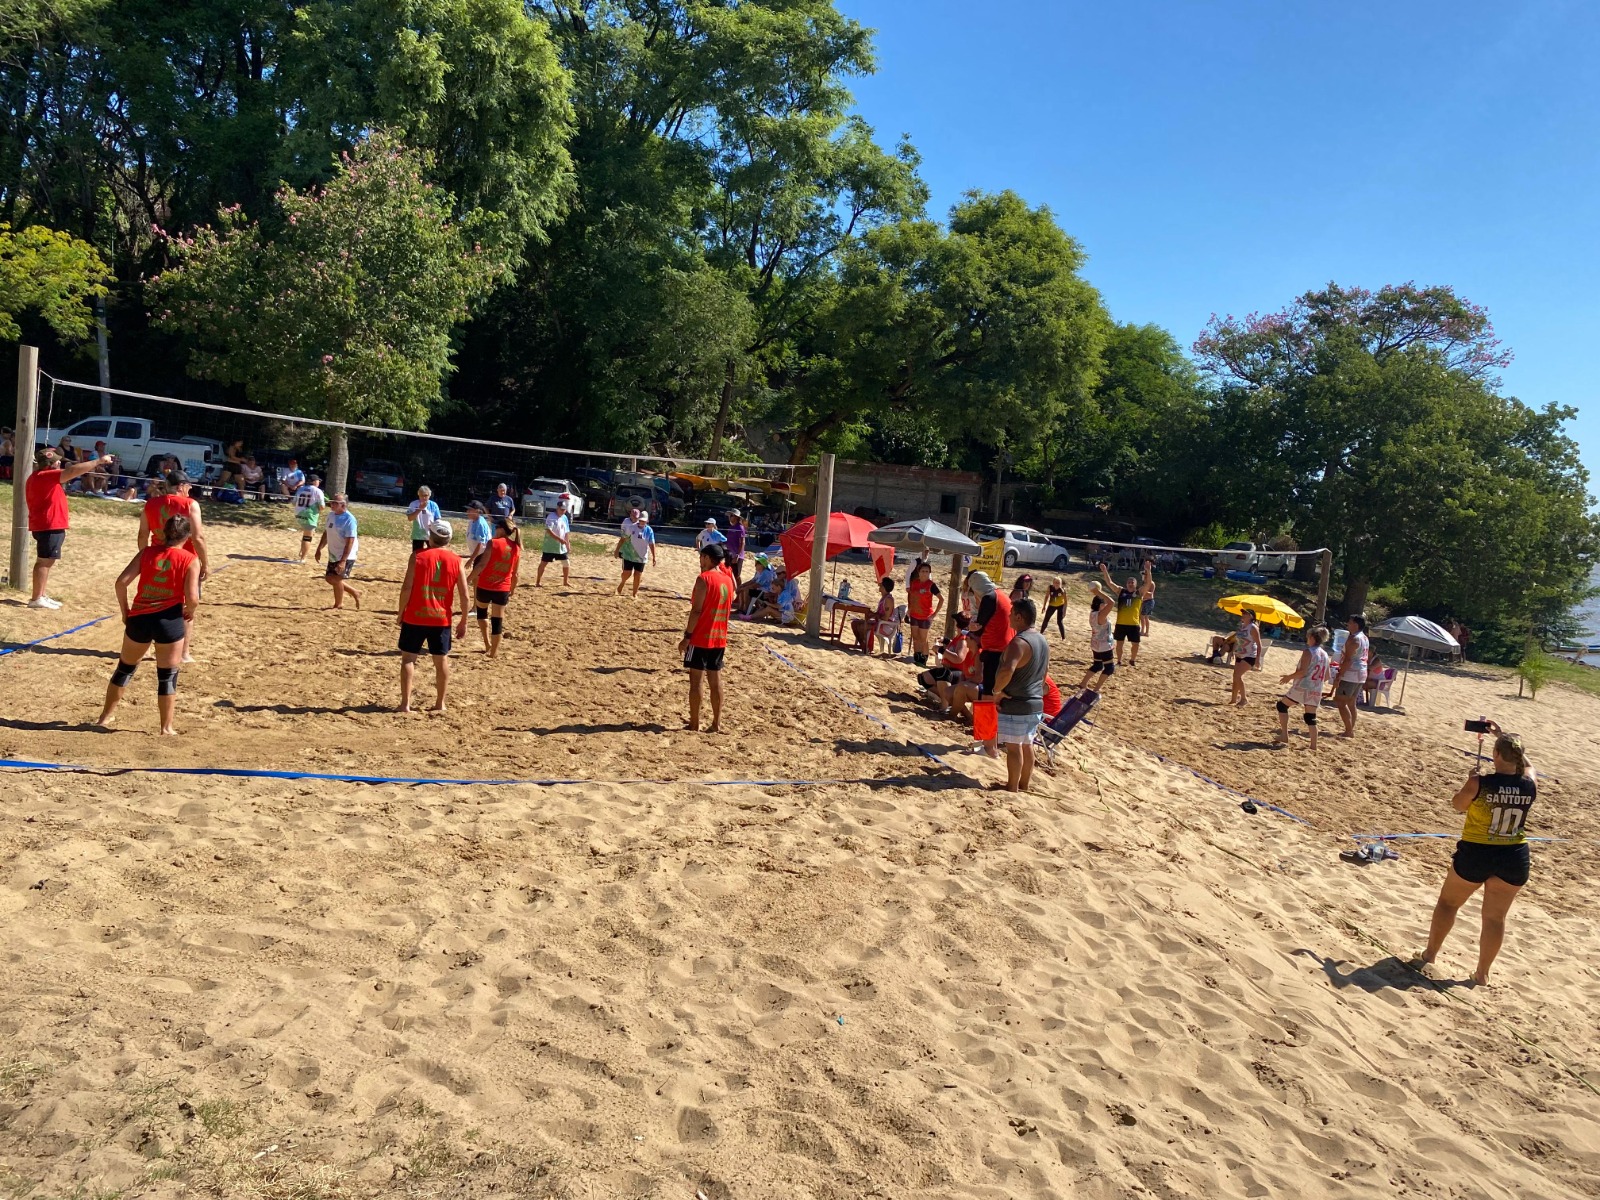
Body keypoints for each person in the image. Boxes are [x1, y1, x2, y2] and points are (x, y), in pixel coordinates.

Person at [1415, 725, 1535, 985]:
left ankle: (1430, 954)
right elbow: (1528, 765)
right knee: (1495, 918)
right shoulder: (1529, 782)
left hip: (1478, 852)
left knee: (1448, 904)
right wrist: (1503, 738)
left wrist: (1470, 780)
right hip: (1513, 855)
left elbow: (1458, 805)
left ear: (1496, 754)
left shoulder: (1480, 782)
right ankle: (1482, 973)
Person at [95, 514, 202, 735]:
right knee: (167, 675)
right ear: (187, 536)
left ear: (163, 533)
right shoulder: (190, 559)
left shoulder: (147, 552)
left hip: (140, 618)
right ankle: (166, 727)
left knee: (124, 669)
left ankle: (104, 717)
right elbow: (193, 598)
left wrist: (125, 612)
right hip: (169, 620)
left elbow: (121, 583)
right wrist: (189, 611)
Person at [23, 446, 115, 609]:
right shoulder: (45, 475)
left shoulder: (42, 476)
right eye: (56, 461)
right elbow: (72, 471)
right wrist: (99, 461)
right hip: (48, 525)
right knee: (44, 561)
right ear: (48, 464)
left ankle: (41, 595)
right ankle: (36, 598)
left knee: (47, 561)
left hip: (50, 525)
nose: (59, 463)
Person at [395, 520, 469, 713]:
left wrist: (401, 611)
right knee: (441, 660)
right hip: (441, 618)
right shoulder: (456, 560)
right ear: (449, 539)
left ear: (430, 537)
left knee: (408, 659)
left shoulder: (418, 556)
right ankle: (440, 703)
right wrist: (463, 621)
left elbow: (406, 588)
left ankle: (405, 704)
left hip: (415, 615)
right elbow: (464, 595)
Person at [139, 470, 210, 658]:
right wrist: (205, 563)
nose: (190, 488)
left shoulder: (151, 504)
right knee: (187, 606)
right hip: (184, 560)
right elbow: (198, 537)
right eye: (188, 485)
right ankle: (183, 653)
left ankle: (149, 648)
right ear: (181, 486)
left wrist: (143, 557)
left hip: (157, 557)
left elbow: (143, 535)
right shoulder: (190, 504)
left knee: (153, 602)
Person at [991, 598, 1049, 792]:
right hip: (1035, 702)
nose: (1008, 616)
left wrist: (997, 691)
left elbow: (1007, 670)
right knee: (1027, 744)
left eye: (1011, 613)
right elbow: (1045, 672)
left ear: (1019, 617)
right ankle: (1024, 785)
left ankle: (1012, 787)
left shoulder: (1019, 642)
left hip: (1017, 702)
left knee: (1014, 747)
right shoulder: (1042, 640)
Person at [679, 542, 733, 732]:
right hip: (719, 636)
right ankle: (716, 723)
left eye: (701, 557)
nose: (700, 560)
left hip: (701, 637)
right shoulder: (728, 580)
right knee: (715, 680)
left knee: (696, 681)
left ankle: (694, 723)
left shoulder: (704, 579)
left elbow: (696, 611)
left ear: (708, 558)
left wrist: (687, 637)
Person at [965, 570, 1012, 758]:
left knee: (987, 699)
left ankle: (989, 747)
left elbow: (978, 627)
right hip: (1005, 650)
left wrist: (971, 624)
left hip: (995, 652)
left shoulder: (989, 598)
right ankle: (989, 742)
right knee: (994, 698)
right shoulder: (1001, 594)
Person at [470, 514, 522, 657]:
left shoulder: (493, 543)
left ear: (501, 529)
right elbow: (515, 574)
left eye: (496, 527)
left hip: (485, 585)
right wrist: (512, 589)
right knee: (497, 621)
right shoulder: (516, 547)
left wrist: (468, 579)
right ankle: (493, 652)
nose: (494, 530)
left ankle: (487, 643)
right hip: (502, 588)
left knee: (482, 613)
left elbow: (481, 565)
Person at [1274, 625, 1331, 748]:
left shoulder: (1308, 652)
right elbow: (1327, 676)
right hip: (1316, 689)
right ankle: (1313, 746)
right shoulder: (1325, 654)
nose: (1307, 639)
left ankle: (1284, 735)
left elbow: (1303, 672)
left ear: (1312, 638)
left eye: (1308, 637)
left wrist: (1289, 677)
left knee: (1282, 706)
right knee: (1311, 717)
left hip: (1303, 687)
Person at [1099, 559, 1154, 666]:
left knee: (1136, 644)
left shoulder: (1139, 593)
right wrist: (1105, 571)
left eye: (1132, 583)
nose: (1130, 584)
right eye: (1129, 582)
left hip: (1134, 624)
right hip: (1121, 623)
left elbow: (1148, 583)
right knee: (1119, 644)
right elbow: (1110, 583)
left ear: (1135, 584)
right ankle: (1119, 660)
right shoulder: (1121, 591)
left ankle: (1132, 660)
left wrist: (1148, 570)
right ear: (1126, 584)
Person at [918, 614, 978, 712]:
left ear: (957, 624)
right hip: (950, 669)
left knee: (943, 674)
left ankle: (945, 706)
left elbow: (959, 658)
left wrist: (941, 650)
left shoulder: (963, 639)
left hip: (957, 672)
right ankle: (949, 699)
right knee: (923, 678)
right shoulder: (959, 637)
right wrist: (946, 641)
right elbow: (955, 646)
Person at [314, 493, 362, 609]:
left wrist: (343, 561)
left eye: (335, 502)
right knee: (330, 578)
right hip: (334, 553)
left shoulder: (349, 519)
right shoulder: (331, 515)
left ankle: (339, 604)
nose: (331, 504)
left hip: (346, 554)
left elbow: (350, 541)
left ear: (343, 505)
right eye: (331, 502)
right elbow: (327, 532)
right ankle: (354, 592)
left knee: (335, 579)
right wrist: (319, 548)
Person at [1334, 614, 1370, 738]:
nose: (1347, 624)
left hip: (1351, 674)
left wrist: (1339, 675)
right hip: (1361, 673)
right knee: (1351, 702)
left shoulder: (1354, 639)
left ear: (1356, 624)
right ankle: (1349, 729)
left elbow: (1348, 660)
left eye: (1350, 622)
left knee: (1341, 702)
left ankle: (1349, 730)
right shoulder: (1364, 637)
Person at [1078, 586, 1116, 692]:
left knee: (1098, 665)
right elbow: (1112, 602)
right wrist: (1098, 592)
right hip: (1104, 646)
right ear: (1100, 605)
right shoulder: (1100, 615)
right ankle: (1096, 689)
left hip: (1096, 644)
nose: (1106, 605)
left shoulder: (1093, 614)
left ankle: (1083, 683)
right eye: (1104, 603)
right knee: (1109, 668)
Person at [905, 561, 944, 666]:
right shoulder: (914, 583)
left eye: (927, 571)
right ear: (919, 572)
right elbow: (911, 596)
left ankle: (924, 657)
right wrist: (909, 609)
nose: (924, 573)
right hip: (914, 614)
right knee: (915, 637)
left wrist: (935, 614)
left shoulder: (931, 585)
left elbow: (941, 599)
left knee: (923, 639)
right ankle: (917, 656)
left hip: (925, 616)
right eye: (923, 571)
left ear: (929, 573)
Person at [615, 509, 657, 596]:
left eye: (644, 521)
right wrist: (617, 550)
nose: (642, 522)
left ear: (647, 521)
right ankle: (622, 583)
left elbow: (652, 544)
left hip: (641, 557)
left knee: (638, 576)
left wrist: (654, 557)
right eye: (641, 520)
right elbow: (623, 539)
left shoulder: (649, 530)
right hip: (629, 554)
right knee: (627, 573)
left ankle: (634, 594)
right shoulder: (631, 527)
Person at [851, 576, 895, 653]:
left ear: (884, 587)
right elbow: (879, 614)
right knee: (854, 623)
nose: (879, 585)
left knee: (862, 626)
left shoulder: (888, 600)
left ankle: (866, 647)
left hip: (884, 625)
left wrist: (875, 615)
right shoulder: (884, 598)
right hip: (878, 622)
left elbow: (885, 618)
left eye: (881, 584)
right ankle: (863, 644)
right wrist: (872, 614)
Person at [1230, 608, 1262, 706]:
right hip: (1239, 654)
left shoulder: (1253, 628)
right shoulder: (1241, 626)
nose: (1243, 615)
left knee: (1237, 676)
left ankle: (1244, 699)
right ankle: (1233, 699)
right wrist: (1233, 651)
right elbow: (1237, 640)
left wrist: (1258, 659)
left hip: (1250, 655)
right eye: (1243, 613)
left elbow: (1259, 644)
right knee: (1235, 677)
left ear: (1251, 616)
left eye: (1246, 614)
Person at [292, 473, 327, 560]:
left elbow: (293, 503)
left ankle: (302, 551)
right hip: (309, 516)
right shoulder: (318, 491)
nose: (319, 482)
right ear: (314, 482)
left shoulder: (300, 489)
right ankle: (303, 558)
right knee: (307, 538)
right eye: (318, 481)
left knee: (307, 534)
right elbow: (322, 507)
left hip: (299, 514)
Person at [537, 496, 571, 586]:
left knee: (566, 563)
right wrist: (559, 539)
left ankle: (565, 582)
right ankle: (538, 582)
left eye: (564, 510)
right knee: (544, 563)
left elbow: (566, 532)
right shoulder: (551, 516)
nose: (563, 511)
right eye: (561, 509)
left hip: (561, 546)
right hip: (550, 546)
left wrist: (568, 544)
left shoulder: (565, 518)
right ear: (557, 508)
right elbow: (549, 530)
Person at [406, 486, 440, 554]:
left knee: (432, 553)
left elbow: (438, 519)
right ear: (418, 495)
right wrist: (420, 509)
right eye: (421, 495)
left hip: (431, 534)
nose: (424, 498)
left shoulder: (433, 505)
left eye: (426, 495)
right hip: (417, 534)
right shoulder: (413, 504)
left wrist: (434, 526)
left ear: (429, 495)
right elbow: (410, 518)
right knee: (416, 554)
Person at [462, 499, 492, 567]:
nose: (467, 511)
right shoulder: (472, 521)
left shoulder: (480, 524)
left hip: (482, 556)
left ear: (477, 511)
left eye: (470, 510)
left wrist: (471, 559)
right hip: (477, 555)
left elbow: (480, 544)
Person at [724, 510, 748, 586]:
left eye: (731, 515)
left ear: (736, 517)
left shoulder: (740, 527)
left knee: (736, 575)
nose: (729, 517)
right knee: (728, 573)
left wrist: (737, 555)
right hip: (729, 554)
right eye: (729, 515)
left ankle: (739, 590)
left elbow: (742, 542)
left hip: (737, 555)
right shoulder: (731, 527)